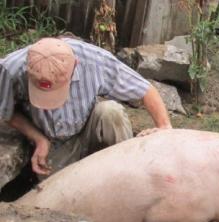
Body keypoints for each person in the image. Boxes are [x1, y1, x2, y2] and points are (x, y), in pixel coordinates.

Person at [0, 37, 172, 178]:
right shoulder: (11, 69)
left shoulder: (95, 60)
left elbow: (145, 89)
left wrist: (164, 126)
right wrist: (39, 139)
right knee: (56, 201)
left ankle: (125, 169)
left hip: (89, 126)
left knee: (111, 112)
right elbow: (7, 111)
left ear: (75, 65)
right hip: (55, 142)